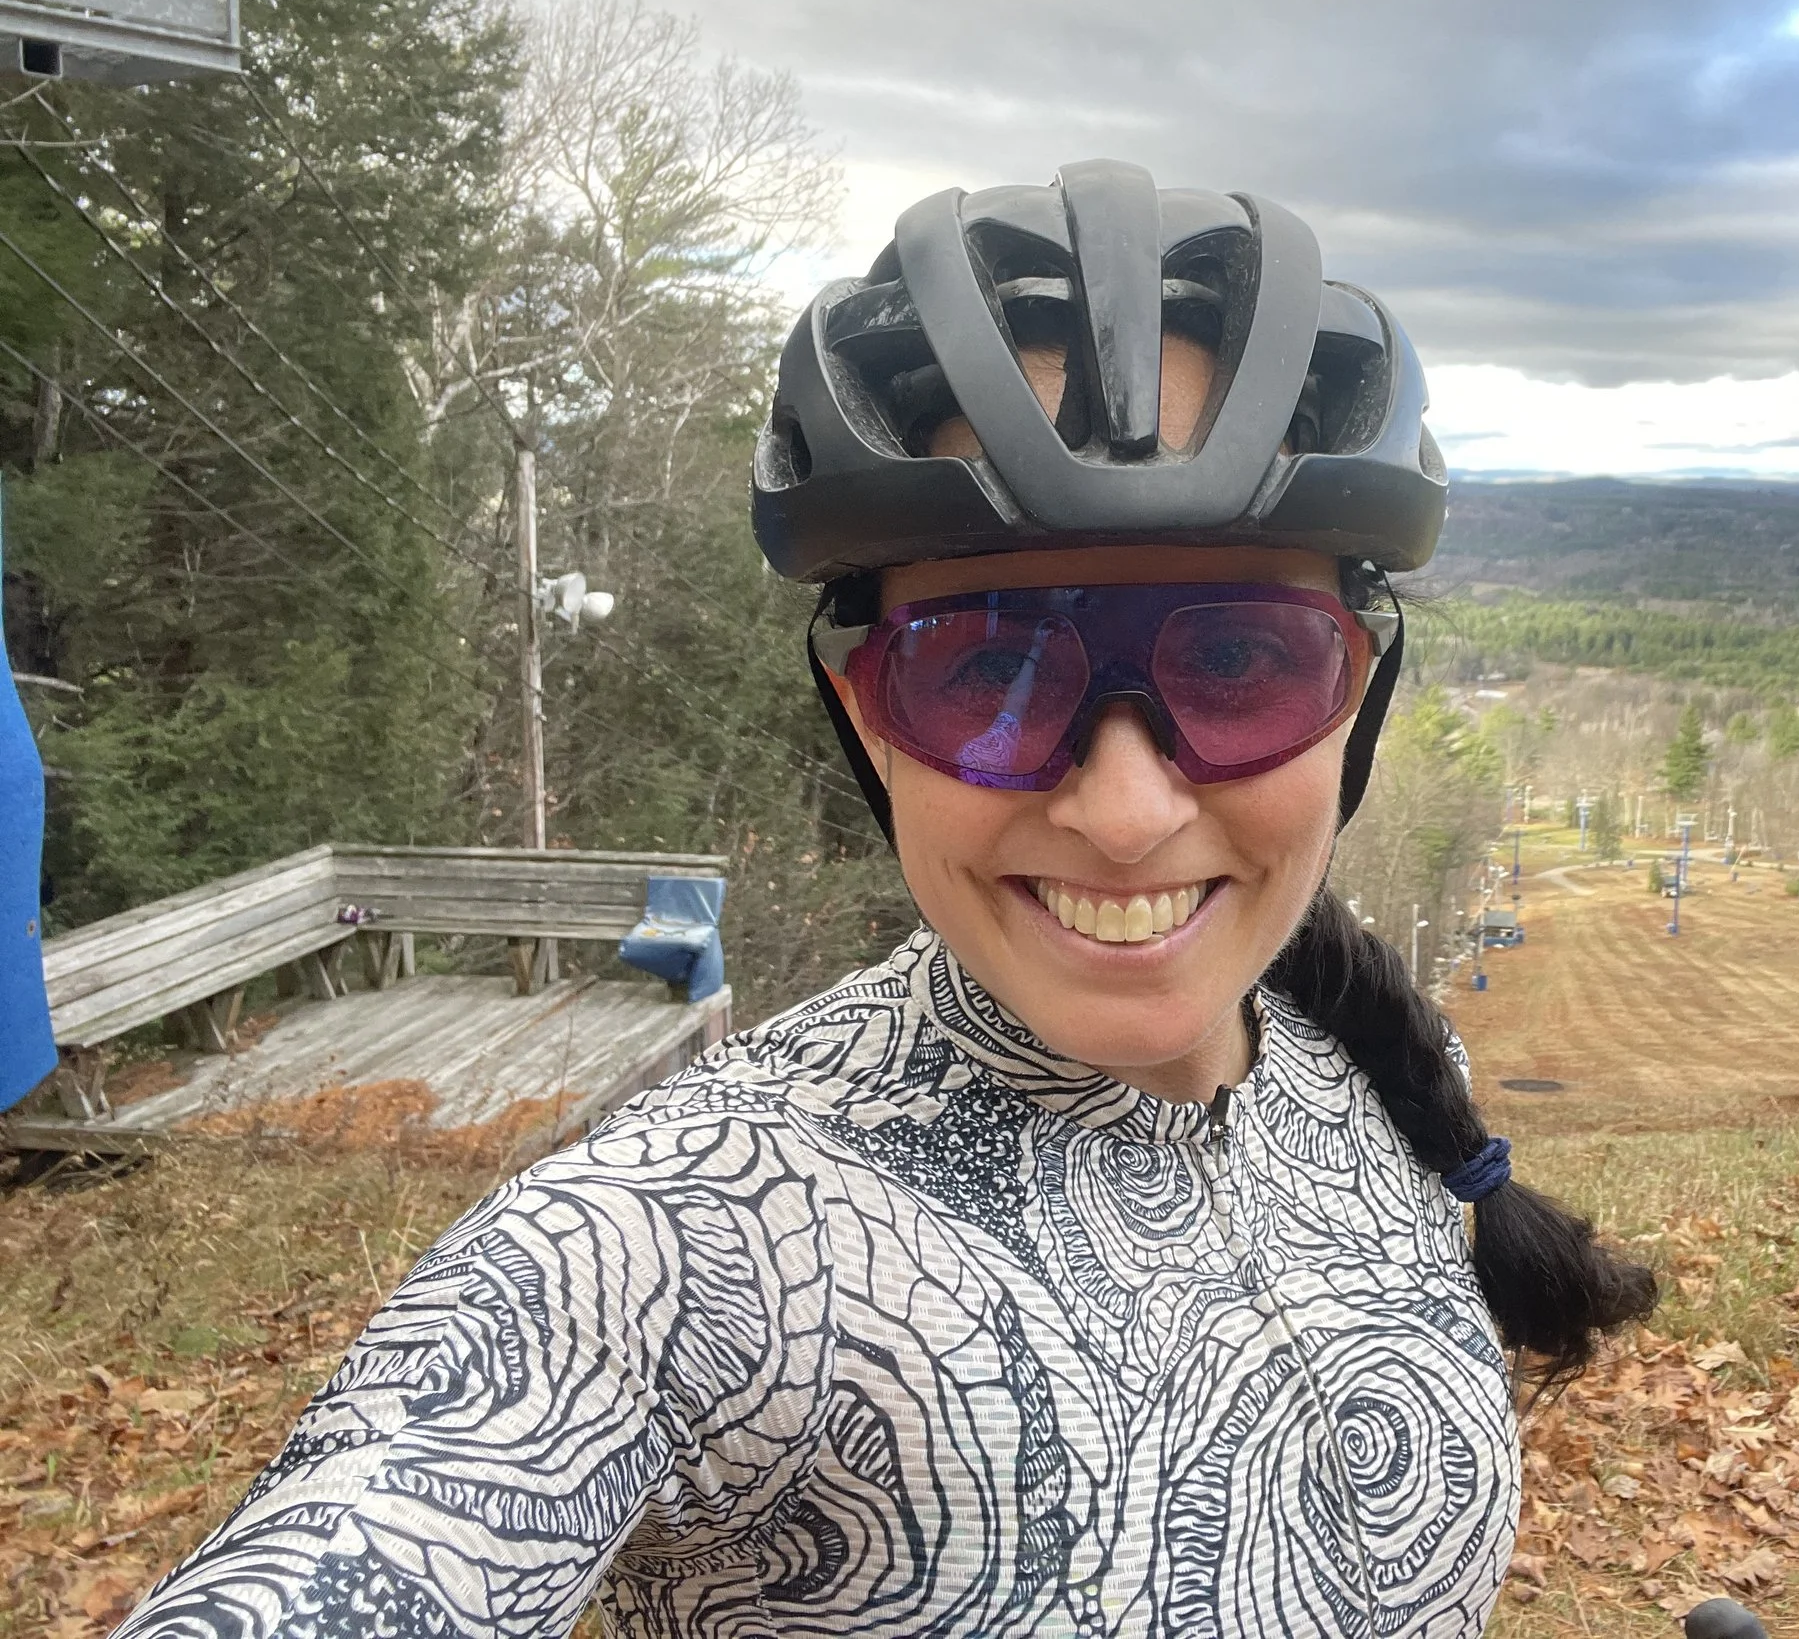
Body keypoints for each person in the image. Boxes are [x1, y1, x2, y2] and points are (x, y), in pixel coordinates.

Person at [117, 160, 1656, 1637]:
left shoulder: (1388, 1072)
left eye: (1243, 663)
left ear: (1358, 696)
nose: (1125, 813)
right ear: (867, 714)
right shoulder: (669, 1242)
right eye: (989, 670)